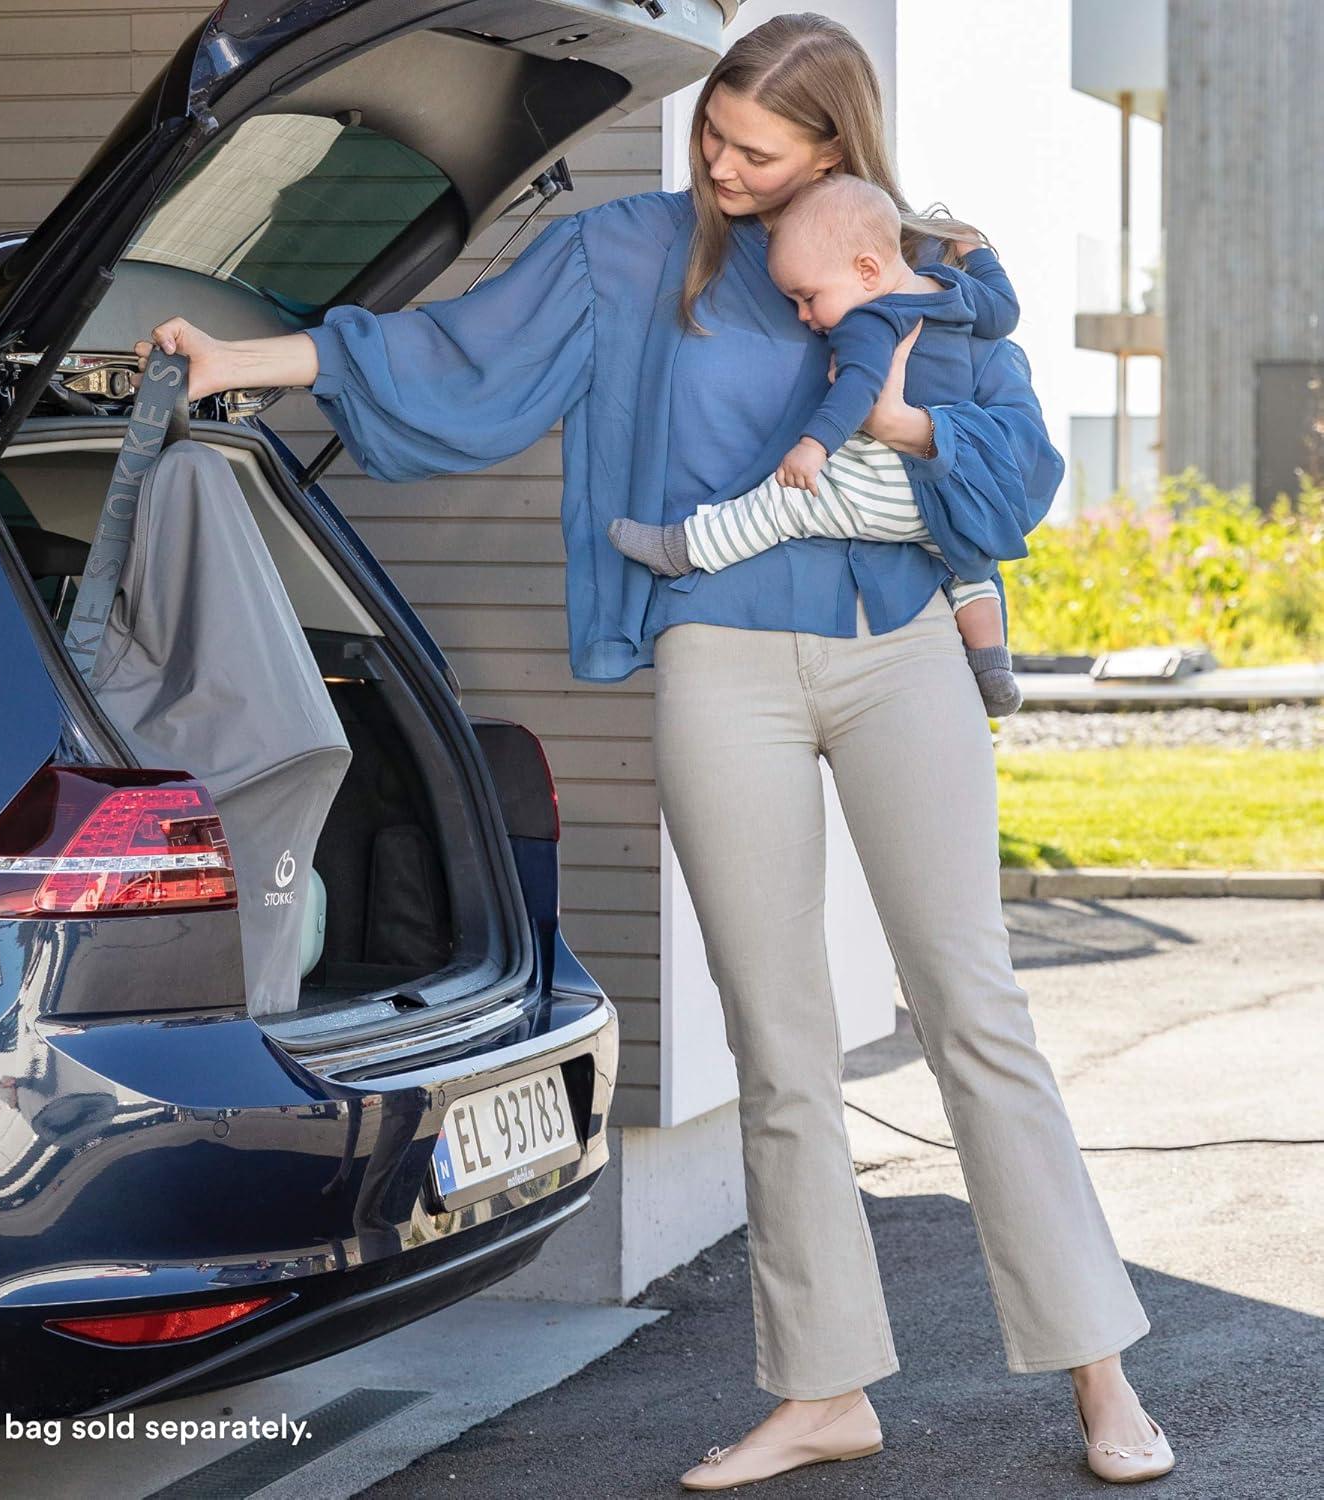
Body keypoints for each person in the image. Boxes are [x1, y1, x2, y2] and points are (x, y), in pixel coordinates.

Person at [134, 15, 1173, 1488]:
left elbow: (1015, 474)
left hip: (895, 654)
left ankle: (1102, 1382)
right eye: (712, 133)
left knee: (974, 1008)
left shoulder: (921, 263)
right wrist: (245, 351)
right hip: (722, 662)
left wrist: (895, 419)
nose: (722, 164)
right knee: (780, 1036)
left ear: (834, 146)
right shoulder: (626, 255)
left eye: (757, 148)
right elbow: (448, 352)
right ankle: (824, 1388)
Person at [606, 170, 1024, 716]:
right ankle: (990, 660)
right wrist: (976, 252)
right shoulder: (955, 292)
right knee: (967, 562)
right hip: (946, 478)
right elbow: (1006, 309)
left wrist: (814, 447)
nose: (805, 316)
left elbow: (858, 391)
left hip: (890, 475)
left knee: (789, 502)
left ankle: (687, 548)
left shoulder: (871, 319)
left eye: (808, 298)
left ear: (867, 270)